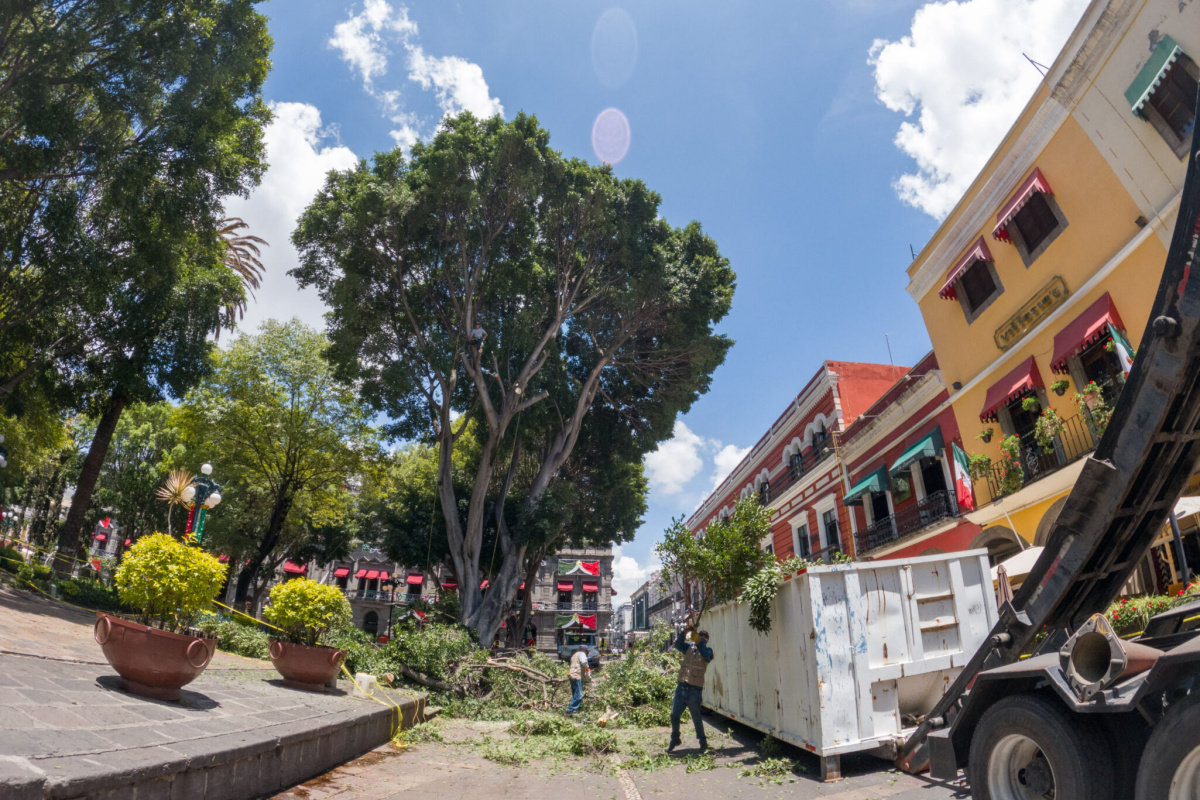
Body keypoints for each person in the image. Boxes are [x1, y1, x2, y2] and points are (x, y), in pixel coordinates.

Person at [668, 625, 713, 753]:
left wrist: (699, 642)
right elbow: (677, 645)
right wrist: (685, 631)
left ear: (707, 640)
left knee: (696, 718)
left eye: (704, 637)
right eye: (701, 636)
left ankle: (703, 743)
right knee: (674, 714)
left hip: (694, 689)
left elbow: (706, 655)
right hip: (681, 686)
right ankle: (675, 739)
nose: (702, 639)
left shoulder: (708, 651)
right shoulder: (689, 648)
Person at [567, 644, 590, 715]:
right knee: (579, 695)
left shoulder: (574, 655)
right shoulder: (582, 654)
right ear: (585, 650)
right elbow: (583, 662)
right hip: (577, 676)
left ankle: (576, 709)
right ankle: (570, 710)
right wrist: (587, 667)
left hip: (572, 675)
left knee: (575, 694)